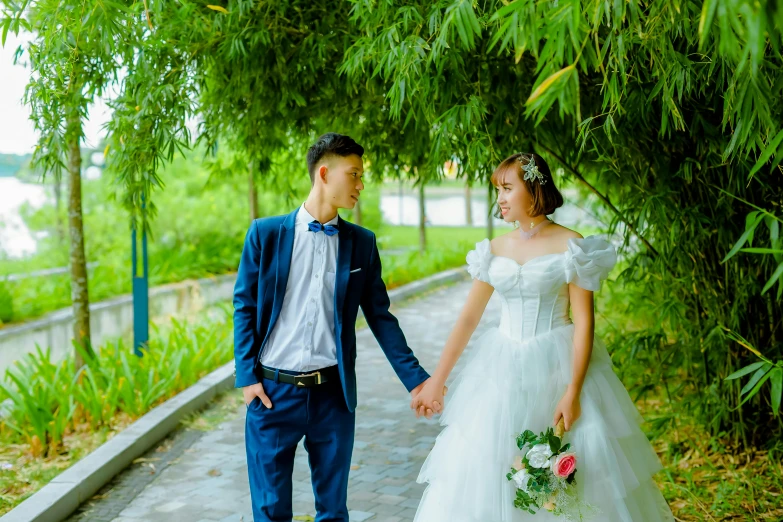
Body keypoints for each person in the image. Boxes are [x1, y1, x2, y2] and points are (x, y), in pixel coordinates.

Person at [410, 153, 674, 521]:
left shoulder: (572, 246)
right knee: (489, 466)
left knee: (570, 474)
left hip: (558, 365)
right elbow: (468, 318)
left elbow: (584, 323)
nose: (500, 199)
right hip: (500, 369)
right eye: (497, 190)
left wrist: (573, 391)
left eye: (507, 188)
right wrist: (436, 382)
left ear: (534, 190)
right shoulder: (494, 249)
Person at [232, 132, 436, 522]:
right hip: (272, 394)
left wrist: (418, 380)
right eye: (354, 174)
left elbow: (380, 316)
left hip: (333, 397)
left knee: (333, 512)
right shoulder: (265, 234)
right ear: (324, 173)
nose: (361, 185)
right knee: (270, 510)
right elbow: (245, 305)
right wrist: (247, 376)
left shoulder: (361, 243)